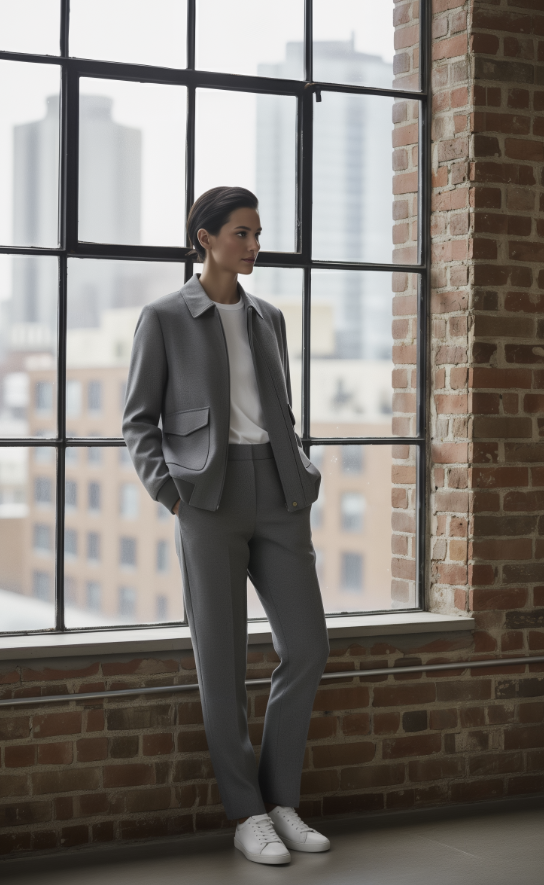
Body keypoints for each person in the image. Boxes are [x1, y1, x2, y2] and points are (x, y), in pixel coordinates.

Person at [123, 186, 330, 865]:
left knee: (307, 645)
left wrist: (298, 471)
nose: (254, 244)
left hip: (279, 491)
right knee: (222, 659)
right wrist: (173, 496)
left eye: (258, 233)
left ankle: (281, 799)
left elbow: (280, 409)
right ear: (205, 238)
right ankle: (247, 812)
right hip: (206, 499)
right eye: (242, 232)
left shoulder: (269, 317)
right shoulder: (164, 317)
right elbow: (138, 421)